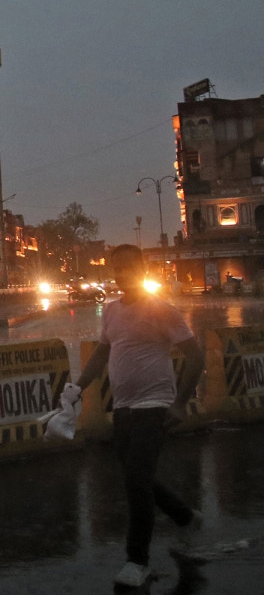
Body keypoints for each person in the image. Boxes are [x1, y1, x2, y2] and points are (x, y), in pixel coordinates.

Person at [67, 244, 204, 588]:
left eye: (129, 267)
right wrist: (77, 387)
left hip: (155, 406)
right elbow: (101, 354)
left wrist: (180, 403)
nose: (122, 274)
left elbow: (196, 357)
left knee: (136, 482)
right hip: (123, 409)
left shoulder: (162, 310)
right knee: (137, 477)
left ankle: (137, 560)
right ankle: (186, 518)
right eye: (117, 268)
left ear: (143, 269)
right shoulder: (111, 311)